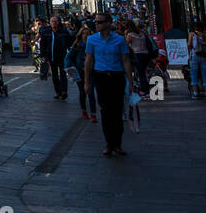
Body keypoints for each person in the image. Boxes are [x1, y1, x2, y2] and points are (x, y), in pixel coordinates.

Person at [84, 12, 137, 157]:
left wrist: (131, 83)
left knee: (117, 110)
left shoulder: (120, 40)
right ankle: (109, 143)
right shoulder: (91, 39)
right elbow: (88, 61)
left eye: (99, 22)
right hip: (101, 78)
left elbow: (125, 60)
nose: (96, 24)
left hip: (116, 77)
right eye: (96, 22)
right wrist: (87, 82)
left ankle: (118, 143)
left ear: (108, 23)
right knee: (106, 111)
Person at [65, 24, 97, 122]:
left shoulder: (93, 45)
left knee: (91, 92)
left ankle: (93, 113)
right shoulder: (77, 45)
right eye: (84, 33)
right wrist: (70, 67)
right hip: (79, 72)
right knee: (82, 92)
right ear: (80, 35)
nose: (86, 35)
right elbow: (69, 57)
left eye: (87, 33)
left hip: (91, 72)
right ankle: (84, 111)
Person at [41, 15, 72, 101]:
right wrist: (43, 56)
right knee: (54, 75)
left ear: (58, 22)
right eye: (52, 21)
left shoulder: (63, 32)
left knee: (63, 74)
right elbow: (43, 45)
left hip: (62, 56)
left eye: (55, 21)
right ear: (50, 23)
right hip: (51, 57)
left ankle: (64, 91)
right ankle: (58, 92)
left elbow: (70, 43)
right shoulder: (46, 33)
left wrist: (71, 54)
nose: (54, 23)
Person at [125, 24, 152, 97]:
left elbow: (125, 45)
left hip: (137, 55)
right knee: (143, 73)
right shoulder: (142, 34)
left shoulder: (130, 35)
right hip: (145, 54)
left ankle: (144, 90)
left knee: (141, 74)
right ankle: (145, 89)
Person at [190, 23, 206, 100]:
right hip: (204, 56)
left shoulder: (192, 34)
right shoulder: (205, 35)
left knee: (194, 75)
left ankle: (195, 93)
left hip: (195, 55)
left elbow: (188, 44)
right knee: (205, 74)